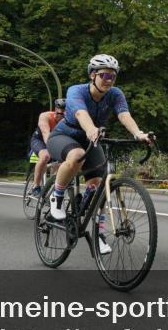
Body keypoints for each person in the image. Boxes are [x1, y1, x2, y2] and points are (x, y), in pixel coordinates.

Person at [45, 54, 153, 255]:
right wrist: (91, 129)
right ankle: (57, 196)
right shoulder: (76, 91)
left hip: (92, 139)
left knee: (99, 185)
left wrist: (138, 133)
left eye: (112, 77)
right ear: (93, 75)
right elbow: (80, 114)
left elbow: (123, 114)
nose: (108, 81)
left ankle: (99, 233)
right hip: (64, 135)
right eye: (104, 75)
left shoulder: (115, 94)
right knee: (76, 155)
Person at [28, 98, 66, 197]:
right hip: (40, 140)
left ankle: (53, 185)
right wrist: (53, 148)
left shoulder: (69, 120)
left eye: (63, 114)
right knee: (45, 156)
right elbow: (46, 133)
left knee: (64, 163)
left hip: (56, 141)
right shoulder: (45, 116)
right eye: (58, 113)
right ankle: (36, 186)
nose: (60, 116)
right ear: (55, 110)